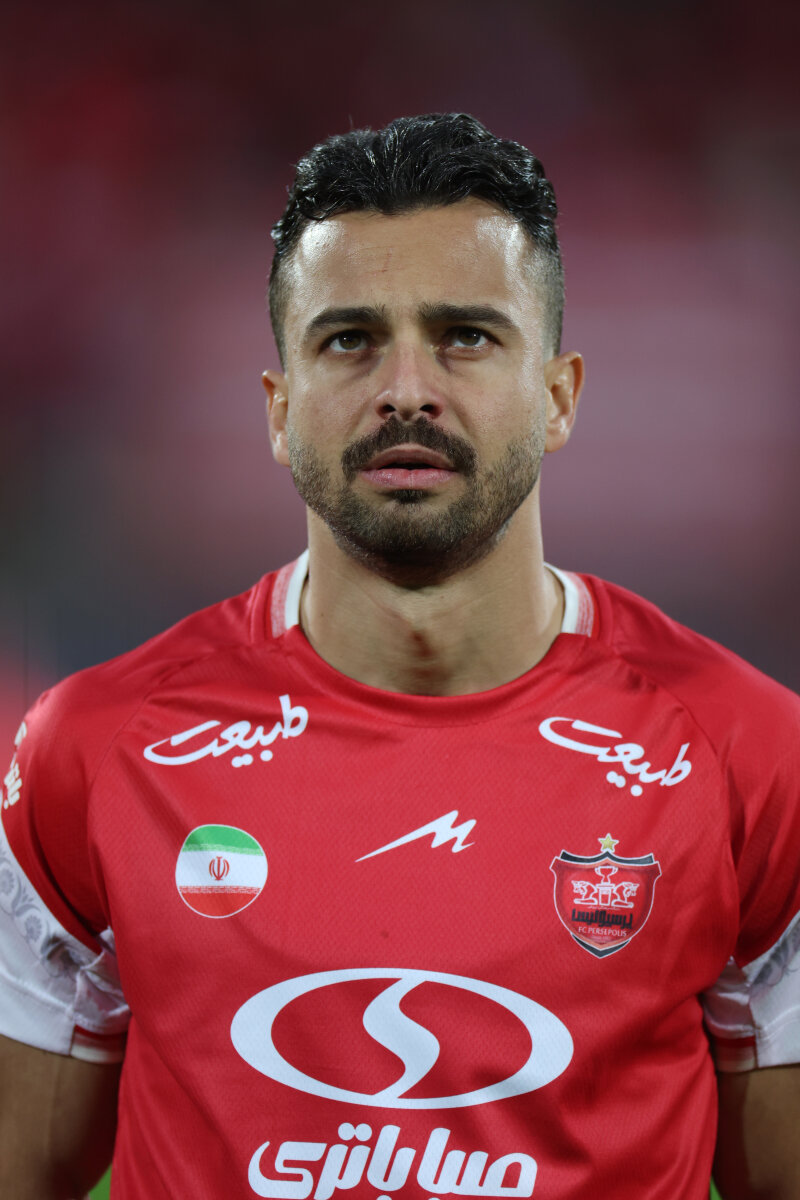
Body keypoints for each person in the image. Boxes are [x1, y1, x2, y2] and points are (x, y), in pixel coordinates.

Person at [1, 113, 798, 1200]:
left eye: (465, 336)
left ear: (558, 396)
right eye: (349, 340)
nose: (407, 389)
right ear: (279, 409)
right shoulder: (95, 751)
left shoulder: (750, 758)